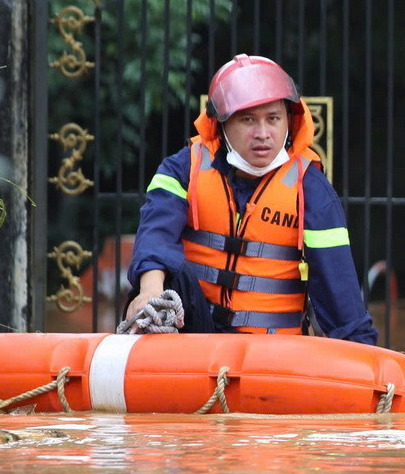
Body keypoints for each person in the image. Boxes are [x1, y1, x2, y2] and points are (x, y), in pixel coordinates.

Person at [124, 54, 378, 342]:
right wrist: (150, 293)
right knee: (165, 277)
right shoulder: (183, 168)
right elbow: (156, 235)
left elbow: (340, 294)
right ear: (221, 124)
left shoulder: (311, 188)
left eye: (273, 119)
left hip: (272, 348)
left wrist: (363, 353)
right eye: (248, 120)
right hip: (194, 336)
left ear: (289, 120)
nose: (263, 134)